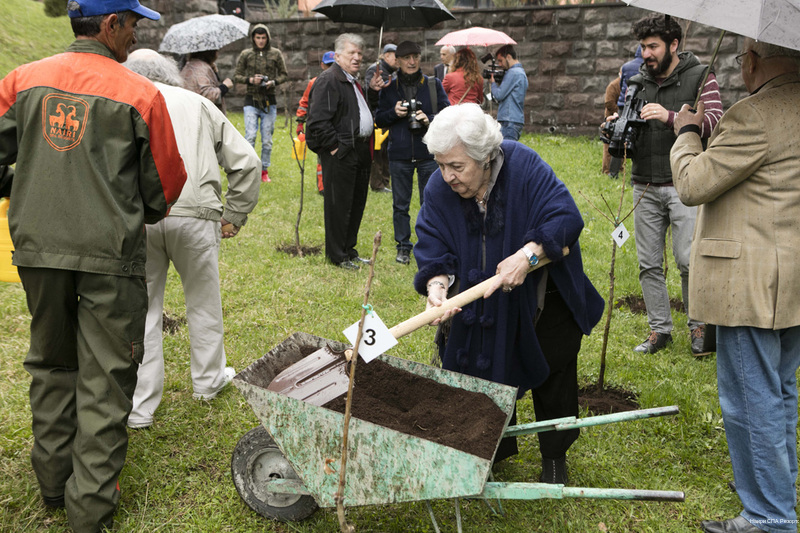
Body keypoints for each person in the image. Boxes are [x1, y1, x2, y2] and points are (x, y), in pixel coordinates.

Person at [0, 0, 187, 530]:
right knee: (107, 377)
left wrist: (22, 188)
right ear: (110, 24)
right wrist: (128, 210)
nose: (136, 35)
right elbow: (165, 187)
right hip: (110, 256)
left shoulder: (20, 81)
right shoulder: (140, 94)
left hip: (38, 251)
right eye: (133, 24)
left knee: (50, 362)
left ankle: (53, 484)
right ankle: (89, 510)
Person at [415, 103, 604, 484]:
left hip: (540, 298)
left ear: (485, 157)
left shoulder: (524, 165)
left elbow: (565, 217)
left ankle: (555, 456)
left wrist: (527, 255)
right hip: (479, 303)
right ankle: (491, 449)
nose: (447, 176)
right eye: (441, 165)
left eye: (457, 166)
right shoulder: (438, 186)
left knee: (553, 371)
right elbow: (432, 241)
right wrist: (437, 287)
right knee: (480, 373)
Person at [671, 39, 800, 533]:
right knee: (779, 391)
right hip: (789, 279)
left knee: (752, 398)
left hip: (749, 283)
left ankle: (769, 515)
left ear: (753, 61)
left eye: (743, 57)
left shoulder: (753, 115)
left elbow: (693, 184)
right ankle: (775, 491)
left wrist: (686, 133)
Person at [123, 49, 261, 429]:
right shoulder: (197, 104)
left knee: (143, 309)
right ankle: (208, 382)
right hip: (196, 215)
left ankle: (140, 406)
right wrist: (234, 213)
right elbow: (247, 161)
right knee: (203, 302)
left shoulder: (123, 101)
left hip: (140, 218)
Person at [614, 13, 723, 355]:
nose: (645, 54)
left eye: (653, 46)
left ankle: (699, 326)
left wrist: (671, 117)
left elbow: (716, 121)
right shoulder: (635, 80)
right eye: (643, 47)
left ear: (673, 44)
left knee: (689, 260)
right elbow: (626, 120)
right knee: (648, 263)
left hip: (685, 183)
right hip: (643, 183)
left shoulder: (700, 75)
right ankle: (659, 330)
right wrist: (616, 127)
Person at [375, 40, 450, 265]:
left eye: (415, 56)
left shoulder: (432, 84)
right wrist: (394, 113)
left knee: (431, 202)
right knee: (400, 205)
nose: (412, 61)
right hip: (399, 154)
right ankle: (403, 247)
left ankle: (431, 243)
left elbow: (447, 115)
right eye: (406, 58)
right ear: (397, 61)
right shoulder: (389, 88)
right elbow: (379, 119)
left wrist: (430, 119)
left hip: (428, 152)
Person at [305, 33, 374, 270]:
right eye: (351, 53)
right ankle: (337, 256)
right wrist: (335, 147)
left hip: (360, 150)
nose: (357, 58)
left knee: (355, 204)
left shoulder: (352, 81)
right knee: (339, 206)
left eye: (360, 53)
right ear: (337, 56)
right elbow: (317, 122)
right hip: (342, 152)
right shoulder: (329, 80)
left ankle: (349, 250)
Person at [234, 23, 288, 183]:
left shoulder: (275, 54)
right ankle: (250, 168)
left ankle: (264, 170)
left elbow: (284, 74)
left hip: (269, 101)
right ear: (253, 38)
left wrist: (273, 82)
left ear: (268, 38)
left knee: (267, 140)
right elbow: (237, 75)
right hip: (251, 100)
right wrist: (251, 80)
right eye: (258, 38)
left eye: (263, 38)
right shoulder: (246, 54)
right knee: (250, 136)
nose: (261, 41)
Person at [296, 50, 335, 194]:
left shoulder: (341, 82)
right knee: (322, 156)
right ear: (322, 65)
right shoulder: (314, 83)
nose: (330, 68)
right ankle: (323, 186)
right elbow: (304, 103)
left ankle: (334, 184)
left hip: (336, 125)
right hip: (320, 126)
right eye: (328, 65)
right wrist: (300, 122)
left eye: (333, 65)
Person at [365, 43, 397, 194]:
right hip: (377, 117)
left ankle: (384, 181)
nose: (398, 60)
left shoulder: (392, 71)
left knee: (386, 152)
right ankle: (377, 184)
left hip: (387, 117)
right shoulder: (375, 70)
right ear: (387, 56)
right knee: (378, 152)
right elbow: (371, 94)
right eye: (396, 56)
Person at [491, 44, 528, 141]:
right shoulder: (521, 72)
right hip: (515, 119)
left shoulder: (513, 73)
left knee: (506, 149)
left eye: (501, 60)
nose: (499, 64)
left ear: (508, 57)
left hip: (508, 120)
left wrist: (493, 83)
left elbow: (499, 95)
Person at [180, 48, 233, 114]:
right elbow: (206, 95)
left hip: (189, 111)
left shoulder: (190, 65)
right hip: (200, 114)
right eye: (216, 51)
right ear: (210, 53)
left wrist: (214, 72)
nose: (218, 54)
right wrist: (224, 87)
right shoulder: (200, 69)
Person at [602, 74, 621, 175]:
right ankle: (607, 169)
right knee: (609, 145)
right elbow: (609, 102)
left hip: (620, 119)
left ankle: (619, 168)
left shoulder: (624, 84)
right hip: (611, 119)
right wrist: (619, 112)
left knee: (620, 143)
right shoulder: (613, 86)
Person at [617, 44, 644, 112]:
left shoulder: (625, 66)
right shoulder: (647, 67)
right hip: (639, 105)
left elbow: (621, 84)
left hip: (623, 102)